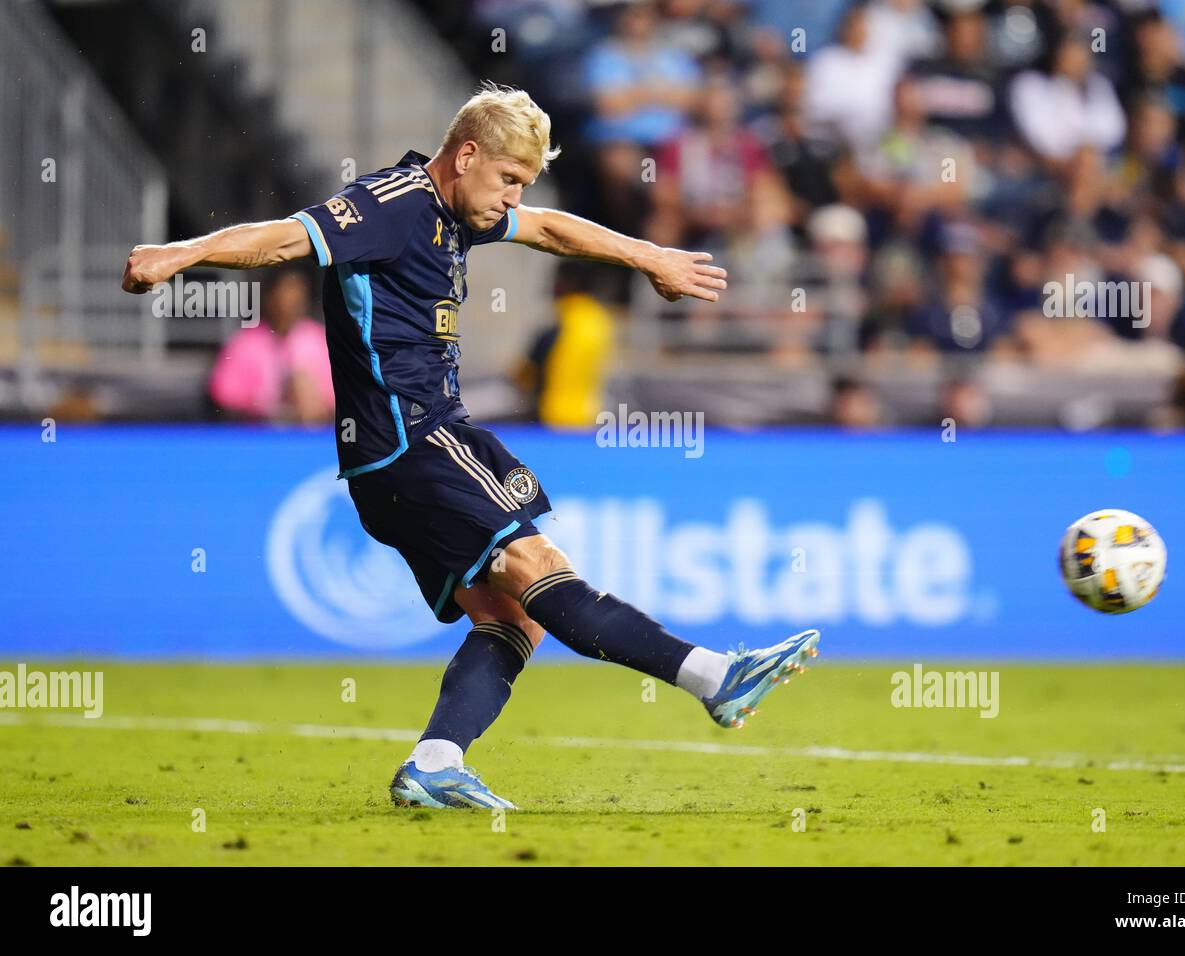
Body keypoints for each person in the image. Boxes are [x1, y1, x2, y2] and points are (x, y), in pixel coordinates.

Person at [121, 83, 819, 811]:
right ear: (467, 154)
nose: (512, 197)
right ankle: (713, 676)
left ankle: (435, 762)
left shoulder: (457, 213)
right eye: (507, 179)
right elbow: (288, 237)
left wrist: (649, 258)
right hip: (412, 440)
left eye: (523, 182)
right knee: (539, 567)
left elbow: (548, 228)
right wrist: (179, 253)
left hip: (416, 448)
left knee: (513, 617)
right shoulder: (390, 205)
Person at [209, 270, 334, 423]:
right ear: (269, 298)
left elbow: (341, 399)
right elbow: (224, 397)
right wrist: (271, 409)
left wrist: (310, 400)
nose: (289, 304)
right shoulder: (244, 343)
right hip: (261, 438)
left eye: (296, 296)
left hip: (317, 438)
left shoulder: (322, 340)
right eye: (283, 295)